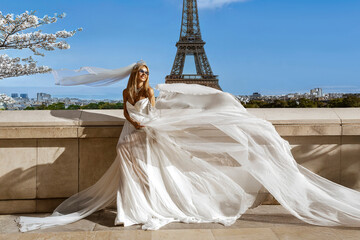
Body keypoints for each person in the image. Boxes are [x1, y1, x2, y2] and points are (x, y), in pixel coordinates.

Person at [17, 61, 360, 232]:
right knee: (132, 173)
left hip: (146, 133)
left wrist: (142, 122)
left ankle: (142, 209)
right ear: (134, 75)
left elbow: (148, 112)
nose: (142, 76)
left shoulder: (150, 93)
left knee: (146, 173)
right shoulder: (128, 93)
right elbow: (127, 112)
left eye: (146, 73)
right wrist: (135, 122)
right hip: (131, 135)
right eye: (140, 72)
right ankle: (131, 209)